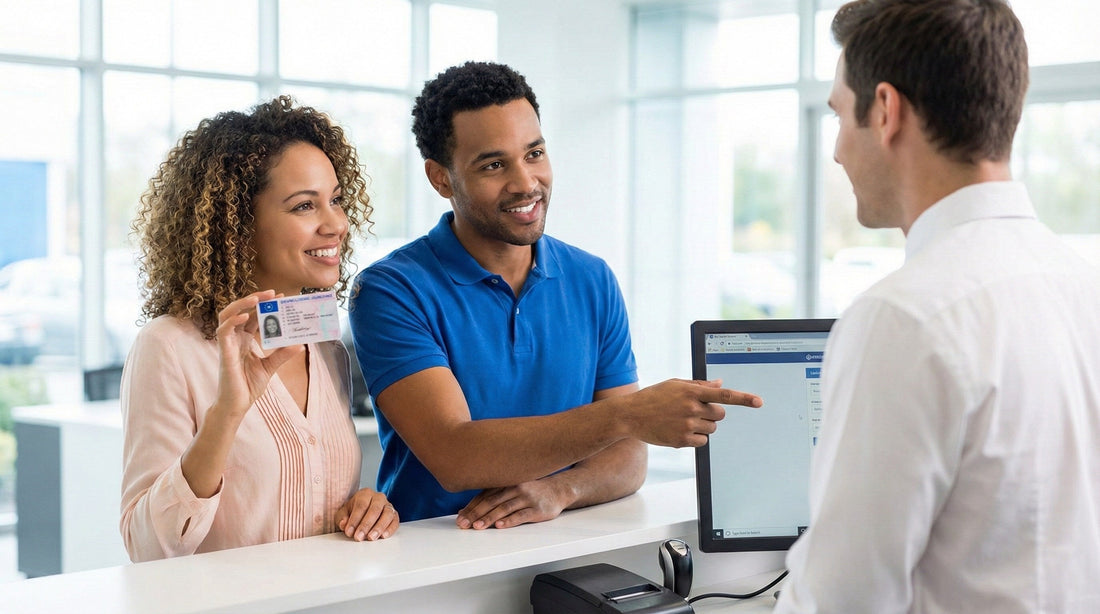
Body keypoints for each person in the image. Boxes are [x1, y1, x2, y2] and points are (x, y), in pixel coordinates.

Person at [776, 1, 1100, 612]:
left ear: (887, 111)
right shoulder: (1085, 290)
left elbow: (842, 600)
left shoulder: (904, 320)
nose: (839, 151)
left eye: (841, 116)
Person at [349, 61, 762, 528]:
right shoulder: (390, 289)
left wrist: (562, 489)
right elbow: (456, 456)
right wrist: (628, 416)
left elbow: (628, 458)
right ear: (441, 178)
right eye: (493, 164)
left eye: (534, 153)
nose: (526, 182)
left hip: (561, 555)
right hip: (434, 566)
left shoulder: (592, 278)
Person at [120, 96, 399, 562]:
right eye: (304, 206)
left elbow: (304, 502)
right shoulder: (169, 347)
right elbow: (147, 548)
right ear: (238, 225)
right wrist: (227, 413)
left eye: (336, 200)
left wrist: (363, 509)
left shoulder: (324, 343)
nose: (335, 224)